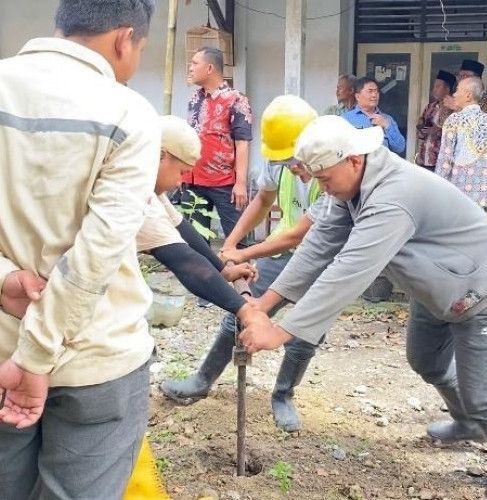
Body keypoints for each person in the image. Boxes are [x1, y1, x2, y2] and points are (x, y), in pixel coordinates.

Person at [240, 115, 487, 500]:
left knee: (483, 396)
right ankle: (467, 423)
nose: (321, 188)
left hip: (479, 288)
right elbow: (318, 247)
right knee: (427, 362)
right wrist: (265, 302)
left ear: (354, 160)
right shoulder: (350, 189)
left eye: (324, 179)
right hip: (434, 285)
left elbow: (350, 268)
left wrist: (281, 332)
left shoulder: (394, 195)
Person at [0, 2, 159, 498]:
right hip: (98, 358)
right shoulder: (128, 112)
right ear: (124, 39)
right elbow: (96, 255)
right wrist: (37, 358)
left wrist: (4, 276)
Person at [161, 96, 326, 433]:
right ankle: (202, 380)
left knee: (305, 330)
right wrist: (233, 242)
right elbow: (263, 200)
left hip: (323, 258)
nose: (291, 165)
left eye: (295, 159)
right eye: (286, 159)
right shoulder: (278, 158)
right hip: (282, 256)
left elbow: (299, 235)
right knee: (241, 311)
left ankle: (283, 395)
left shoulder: (329, 168)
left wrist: (246, 254)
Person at [137, 115, 263, 316]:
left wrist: (223, 270)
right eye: (181, 172)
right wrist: (244, 310)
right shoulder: (134, 196)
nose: (180, 182)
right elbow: (184, 261)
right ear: (161, 155)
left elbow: (182, 229)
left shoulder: (150, 188)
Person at [181, 46, 252, 239]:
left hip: (224, 183)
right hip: (193, 180)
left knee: (236, 241)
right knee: (196, 244)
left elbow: (242, 142)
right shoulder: (195, 98)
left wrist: (241, 183)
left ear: (210, 68)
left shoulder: (236, 99)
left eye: (195, 63)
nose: (190, 68)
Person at [436, 77, 487, 208]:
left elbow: (445, 160)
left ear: (468, 95)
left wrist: (437, 186)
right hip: (481, 194)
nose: (454, 94)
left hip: (457, 192)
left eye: (457, 90)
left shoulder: (454, 119)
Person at [342, 76, 406, 154]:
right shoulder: (346, 119)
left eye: (376, 91)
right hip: (356, 163)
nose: (374, 95)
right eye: (370, 91)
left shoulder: (387, 119)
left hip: (381, 165)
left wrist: (387, 126)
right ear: (357, 96)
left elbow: (400, 148)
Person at [416, 69, 456, 172]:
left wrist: (437, 130)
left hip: (443, 162)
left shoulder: (455, 109)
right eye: (434, 86)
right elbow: (420, 134)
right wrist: (421, 127)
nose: (434, 89)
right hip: (424, 160)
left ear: (447, 89)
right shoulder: (430, 107)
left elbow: (458, 134)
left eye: (438, 86)